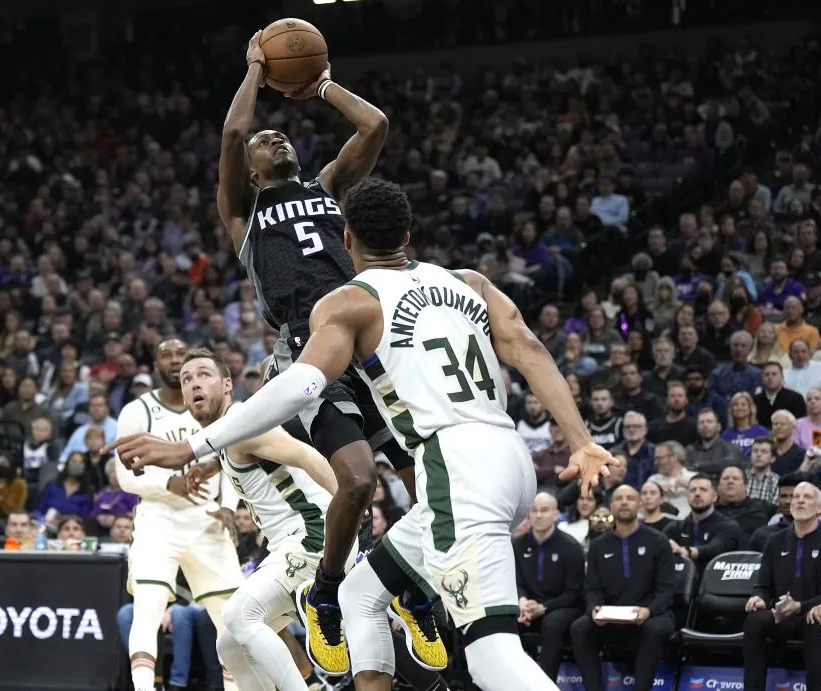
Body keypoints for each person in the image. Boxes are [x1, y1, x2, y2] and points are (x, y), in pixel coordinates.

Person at [111, 178, 614, 691]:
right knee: (362, 594)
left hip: (454, 469)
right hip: (509, 459)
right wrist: (580, 439)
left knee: (490, 655)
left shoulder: (351, 301)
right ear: (409, 235)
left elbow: (300, 385)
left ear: (345, 239)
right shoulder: (470, 282)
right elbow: (530, 349)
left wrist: (190, 445)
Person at [207, 32, 423, 675]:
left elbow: (376, 125)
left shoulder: (327, 186)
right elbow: (230, 134)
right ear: (248, 169)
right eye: (261, 143)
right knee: (357, 480)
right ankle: (327, 592)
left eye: (280, 135)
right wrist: (255, 69)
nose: (272, 138)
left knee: (424, 485)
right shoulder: (243, 211)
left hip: (369, 347)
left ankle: (408, 590)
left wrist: (321, 85)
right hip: (306, 353)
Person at [176, 348, 375, 691]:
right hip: (294, 540)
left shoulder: (243, 427)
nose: (194, 383)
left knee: (239, 616)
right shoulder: (231, 433)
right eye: (186, 379)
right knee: (230, 644)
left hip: (314, 536)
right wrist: (212, 464)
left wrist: (352, 505)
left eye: (204, 374)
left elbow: (304, 455)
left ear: (227, 385)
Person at [112, 338, 243, 691]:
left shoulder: (212, 406)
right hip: (159, 519)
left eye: (180, 356)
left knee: (232, 618)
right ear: (156, 365)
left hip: (208, 519)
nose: (174, 361)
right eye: (165, 355)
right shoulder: (138, 411)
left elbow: (236, 455)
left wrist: (229, 506)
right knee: (148, 608)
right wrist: (170, 484)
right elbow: (124, 476)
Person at [570, 486, 675, 691]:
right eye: (618, 498)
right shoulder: (599, 546)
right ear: (611, 507)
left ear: (639, 504)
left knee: (654, 629)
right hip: (612, 614)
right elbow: (592, 588)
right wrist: (595, 609)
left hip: (652, 613)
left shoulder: (658, 541)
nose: (624, 502)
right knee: (580, 627)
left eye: (630, 498)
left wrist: (649, 610)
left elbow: (666, 590)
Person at [743, 482, 821, 691]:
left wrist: (803, 606)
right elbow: (763, 584)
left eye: (807, 497)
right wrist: (758, 597)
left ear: (819, 507)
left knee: (816, 622)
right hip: (784, 613)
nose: (800, 500)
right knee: (754, 621)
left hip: (814, 611)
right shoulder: (775, 541)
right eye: (796, 497)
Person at [513, 493, 585, 681]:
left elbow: (573, 593)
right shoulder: (517, 545)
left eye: (544, 510)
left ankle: (545, 683)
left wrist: (543, 608)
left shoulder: (571, 547)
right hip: (526, 606)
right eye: (533, 511)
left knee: (552, 623)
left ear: (556, 514)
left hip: (562, 606)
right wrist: (522, 602)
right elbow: (515, 581)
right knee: (505, 619)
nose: (538, 515)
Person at [663, 474, 742, 567]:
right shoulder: (674, 528)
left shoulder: (728, 526)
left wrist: (687, 552)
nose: (697, 494)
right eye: (692, 490)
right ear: (687, 496)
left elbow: (716, 548)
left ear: (714, 496)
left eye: (703, 490)